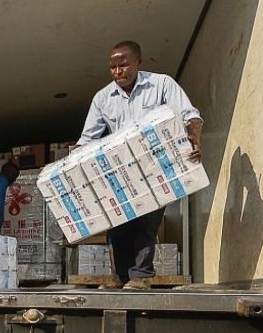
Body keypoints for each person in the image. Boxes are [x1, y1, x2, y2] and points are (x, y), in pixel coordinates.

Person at [76, 40, 203, 290]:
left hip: (156, 166)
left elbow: (190, 115)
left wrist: (195, 139)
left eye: (123, 65)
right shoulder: (103, 98)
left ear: (138, 63)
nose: (117, 72)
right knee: (118, 223)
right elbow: (87, 139)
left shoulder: (162, 84)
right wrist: (72, 165)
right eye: (112, 67)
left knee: (147, 223)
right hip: (120, 170)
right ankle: (121, 277)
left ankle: (141, 276)